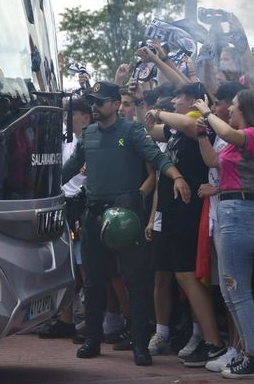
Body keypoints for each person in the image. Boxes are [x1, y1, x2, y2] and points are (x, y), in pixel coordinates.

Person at [62, 81, 191, 366]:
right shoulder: (89, 134)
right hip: (93, 215)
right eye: (92, 102)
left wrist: (178, 177)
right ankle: (92, 340)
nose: (94, 107)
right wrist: (42, 189)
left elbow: (156, 157)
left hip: (126, 217)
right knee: (94, 282)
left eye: (101, 102)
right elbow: (70, 168)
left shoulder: (131, 131)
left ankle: (140, 345)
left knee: (136, 282)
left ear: (116, 105)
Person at [143, 82, 227, 368]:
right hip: (170, 211)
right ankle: (204, 339)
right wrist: (147, 118)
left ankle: (213, 342)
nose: (174, 101)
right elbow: (149, 133)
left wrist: (158, 112)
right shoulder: (176, 129)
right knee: (178, 276)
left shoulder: (201, 124)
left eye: (178, 97)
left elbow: (186, 126)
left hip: (188, 210)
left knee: (188, 276)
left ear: (192, 102)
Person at [193, 89, 254, 378]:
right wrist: (202, 134)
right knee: (231, 293)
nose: (231, 111)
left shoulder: (252, 134)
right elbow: (213, 162)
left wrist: (207, 113)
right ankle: (247, 352)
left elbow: (226, 133)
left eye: (235, 107)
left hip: (239, 215)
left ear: (247, 110)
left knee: (238, 293)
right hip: (233, 213)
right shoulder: (236, 138)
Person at [39, 96, 94, 339]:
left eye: (71, 114)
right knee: (66, 265)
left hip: (82, 205)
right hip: (63, 204)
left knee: (85, 268)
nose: (66, 119)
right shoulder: (66, 139)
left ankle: (94, 320)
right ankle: (65, 319)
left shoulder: (91, 139)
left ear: (86, 116)